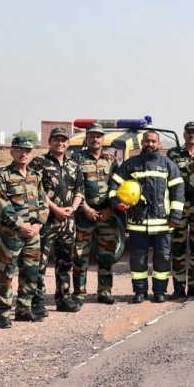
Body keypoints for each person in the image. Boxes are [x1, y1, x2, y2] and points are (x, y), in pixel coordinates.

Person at [109, 129, 184, 303]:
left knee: (163, 259)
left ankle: (160, 292)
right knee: (138, 260)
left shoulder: (168, 165)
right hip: (138, 224)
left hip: (163, 224)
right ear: (142, 143)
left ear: (159, 144)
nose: (150, 144)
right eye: (147, 141)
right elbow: (114, 185)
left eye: (153, 141)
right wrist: (116, 203)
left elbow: (178, 192)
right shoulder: (130, 164)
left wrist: (175, 215)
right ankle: (140, 292)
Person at [0, 136, 49, 328]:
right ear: (12, 152)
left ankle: (24, 310)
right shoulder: (3, 175)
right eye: (19, 150)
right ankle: (2, 313)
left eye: (27, 150)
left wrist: (38, 225)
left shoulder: (35, 175)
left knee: (31, 273)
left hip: (33, 234)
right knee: (6, 273)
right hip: (12, 234)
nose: (23, 154)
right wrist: (21, 225)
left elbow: (43, 203)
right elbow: (3, 205)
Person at [30, 127, 84, 313]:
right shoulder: (39, 162)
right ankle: (36, 301)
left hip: (68, 222)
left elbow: (80, 190)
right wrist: (57, 209)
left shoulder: (74, 165)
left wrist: (73, 208)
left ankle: (63, 299)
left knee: (65, 262)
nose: (60, 143)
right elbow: (36, 190)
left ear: (68, 143)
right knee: (40, 263)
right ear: (50, 142)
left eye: (63, 140)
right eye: (56, 140)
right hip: (46, 221)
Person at [72, 123, 121, 305]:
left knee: (106, 256)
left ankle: (105, 292)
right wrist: (86, 209)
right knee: (80, 256)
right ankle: (79, 293)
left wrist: (111, 209)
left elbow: (117, 188)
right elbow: (75, 187)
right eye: (92, 135)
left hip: (107, 215)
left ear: (103, 139)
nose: (95, 139)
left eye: (98, 136)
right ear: (87, 138)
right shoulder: (77, 159)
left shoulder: (111, 161)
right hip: (85, 215)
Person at [166, 121, 194, 300]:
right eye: (189, 132)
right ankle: (178, 286)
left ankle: (193, 286)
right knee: (177, 247)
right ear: (184, 134)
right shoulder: (173, 154)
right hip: (179, 205)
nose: (192, 135)